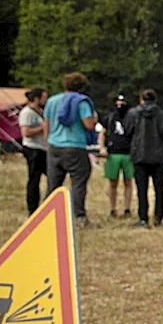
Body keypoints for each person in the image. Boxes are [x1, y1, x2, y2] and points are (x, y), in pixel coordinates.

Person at [43, 72, 98, 224]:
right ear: (82, 87)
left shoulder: (52, 101)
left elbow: (46, 123)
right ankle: (79, 216)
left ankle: (46, 216)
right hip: (74, 146)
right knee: (79, 182)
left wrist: (48, 142)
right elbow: (88, 125)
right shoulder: (81, 102)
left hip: (54, 146)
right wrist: (94, 119)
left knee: (53, 184)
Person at [124, 89, 163, 227]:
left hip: (139, 156)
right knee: (159, 189)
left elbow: (128, 132)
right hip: (159, 157)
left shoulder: (133, 114)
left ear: (141, 99)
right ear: (155, 100)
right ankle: (158, 218)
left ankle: (143, 218)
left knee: (141, 189)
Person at [100, 94, 135, 218]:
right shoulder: (109, 118)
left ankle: (127, 208)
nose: (120, 105)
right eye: (118, 102)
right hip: (113, 153)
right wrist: (102, 147)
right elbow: (102, 133)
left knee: (128, 182)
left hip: (128, 154)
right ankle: (112, 208)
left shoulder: (131, 118)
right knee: (113, 182)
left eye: (122, 102)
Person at [18, 88, 49, 214]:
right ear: (37, 99)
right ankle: (32, 208)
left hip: (43, 148)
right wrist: (42, 128)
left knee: (52, 176)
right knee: (34, 179)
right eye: (44, 97)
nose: (45, 100)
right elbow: (26, 133)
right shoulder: (27, 113)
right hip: (32, 149)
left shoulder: (40, 112)